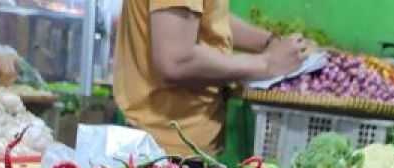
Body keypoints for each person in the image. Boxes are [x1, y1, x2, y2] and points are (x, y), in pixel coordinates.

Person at [115, 0, 309, 157]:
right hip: (168, 150)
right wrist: (267, 63)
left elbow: (206, 17)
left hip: (177, 143)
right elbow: (176, 60)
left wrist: (269, 44)